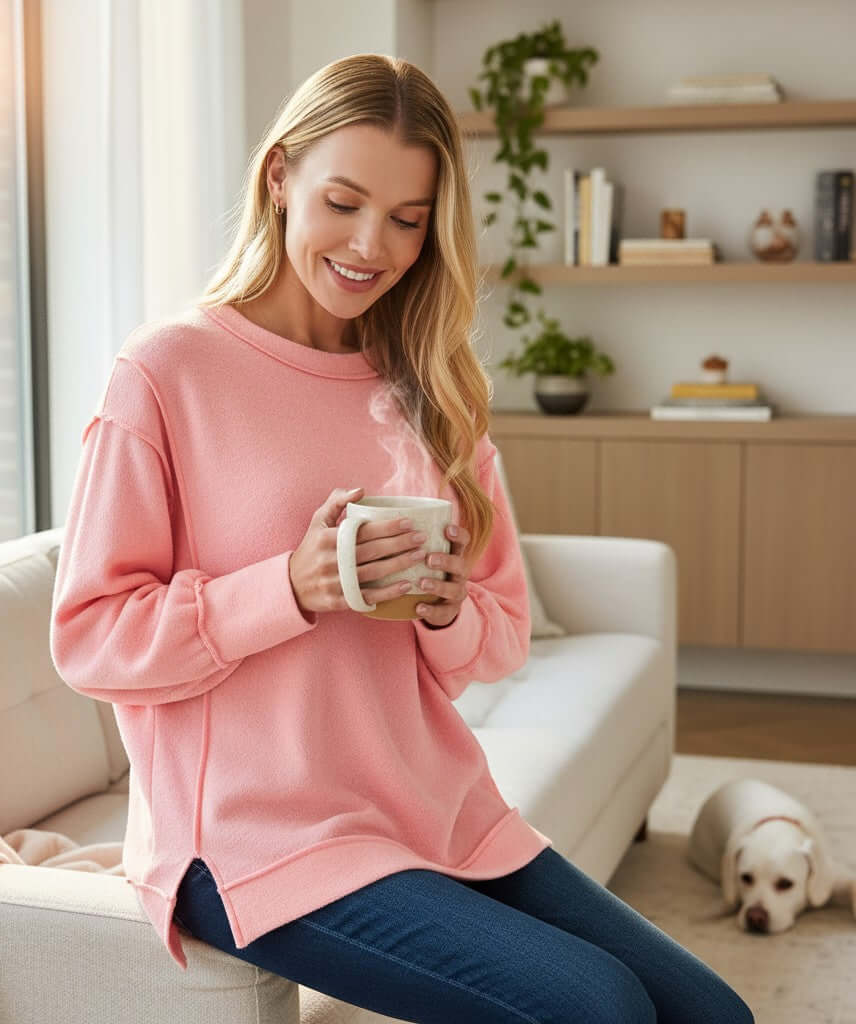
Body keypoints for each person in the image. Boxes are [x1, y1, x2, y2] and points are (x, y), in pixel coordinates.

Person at [49, 53, 754, 1023]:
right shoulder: (168, 373)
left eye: (407, 220)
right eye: (342, 201)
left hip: (432, 804)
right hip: (249, 838)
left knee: (714, 1015)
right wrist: (289, 587)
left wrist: (446, 609)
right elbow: (90, 634)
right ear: (278, 178)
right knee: (600, 1007)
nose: (369, 245)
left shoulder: (430, 387)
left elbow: (498, 632)